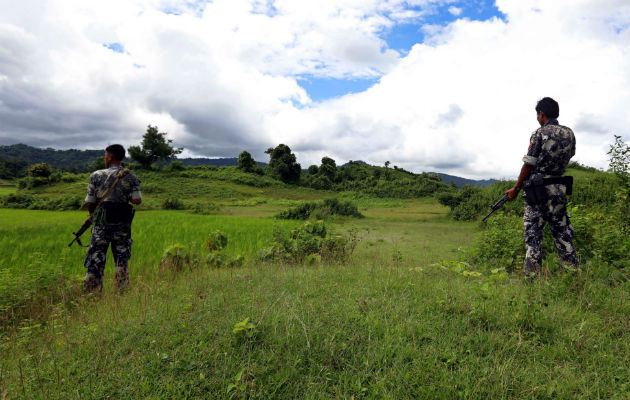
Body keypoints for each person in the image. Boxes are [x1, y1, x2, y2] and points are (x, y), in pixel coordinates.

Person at [505, 97, 578, 280]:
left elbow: (529, 164)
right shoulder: (569, 134)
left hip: (537, 192)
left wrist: (516, 187)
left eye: (538, 114)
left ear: (541, 114)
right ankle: (571, 278)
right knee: (563, 234)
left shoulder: (540, 133)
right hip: (559, 190)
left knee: (533, 237)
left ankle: (532, 280)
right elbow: (571, 154)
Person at [83, 144, 142, 292]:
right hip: (122, 224)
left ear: (110, 157)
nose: (105, 158)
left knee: (96, 259)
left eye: (105, 156)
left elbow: (89, 202)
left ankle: (92, 294)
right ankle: (122, 292)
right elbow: (137, 200)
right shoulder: (131, 176)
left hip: (101, 224)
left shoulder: (96, 175)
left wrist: (92, 216)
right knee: (121, 259)